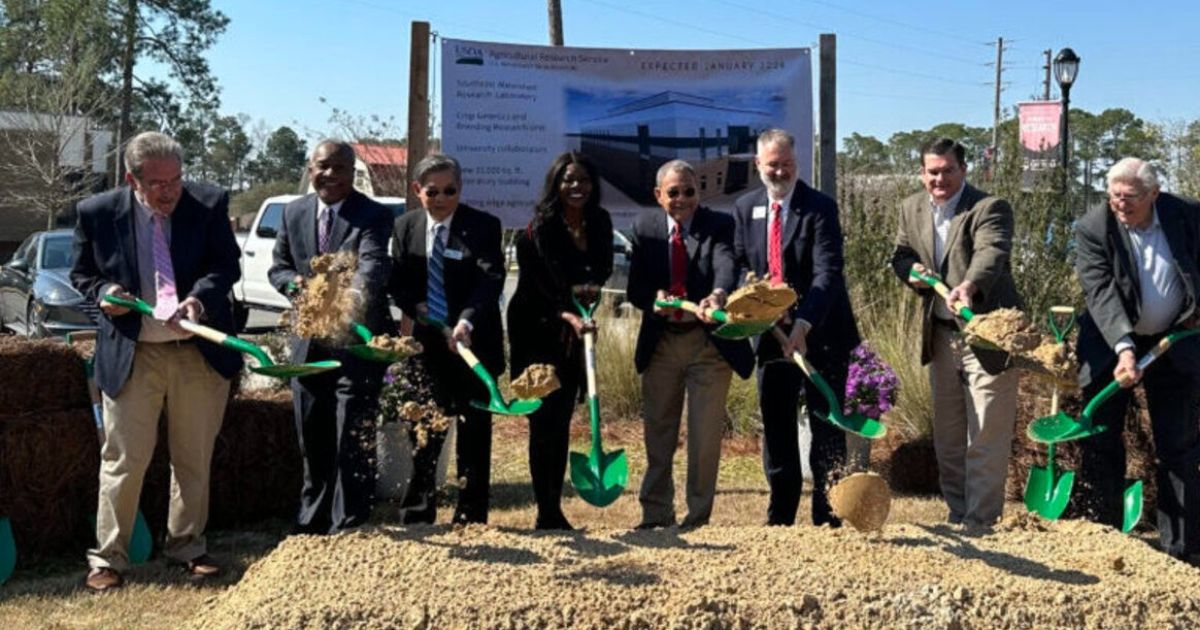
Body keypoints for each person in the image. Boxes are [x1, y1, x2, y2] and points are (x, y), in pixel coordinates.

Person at [70, 131, 243, 591]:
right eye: (158, 183)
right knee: (124, 459)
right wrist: (104, 295)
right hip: (133, 353)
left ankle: (188, 545)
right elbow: (82, 274)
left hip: (196, 354)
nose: (170, 191)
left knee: (193, 456)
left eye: (176, 180)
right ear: (132, 179)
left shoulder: (207, 204)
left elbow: (226, 266)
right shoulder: (97, 212)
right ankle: (108, 558)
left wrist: (198, 302)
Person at [889, 137, 1021, 527]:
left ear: (963, 170)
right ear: (922, 173)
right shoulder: (911, 208)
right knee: (948, 437)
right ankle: (958, 513)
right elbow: (901, 254)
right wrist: (910, 272)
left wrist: (969, 286)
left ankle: (981, 522)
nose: (940, 178)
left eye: (948, 170)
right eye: (933, 172)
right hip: (942, 336)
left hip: (986, 335)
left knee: (984, 434)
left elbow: (991, 253)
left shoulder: (988, 207)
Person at [1074, 157, 1200, 560]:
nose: (1121, 205)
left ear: (1154, 195)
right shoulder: (1094, 227)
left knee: (1178, 443)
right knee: (1101, 435)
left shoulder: (1187, 216)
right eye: (1115, 196)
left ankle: (1181, 548)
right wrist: (1125, 348)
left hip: (1175, 341)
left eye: (1130, 198)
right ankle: (1102, 537)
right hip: (1109, 342)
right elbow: (1100, 292)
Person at [733, 128, 859, 527]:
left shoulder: (819, 207)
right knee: (777, 429)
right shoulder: (745, 208)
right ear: (758, 165)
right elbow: (740, 265)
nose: (780, 171)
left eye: (787, 164)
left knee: (826, 428)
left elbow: (828, 273)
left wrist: (803, 320)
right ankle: (780, 518)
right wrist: (757, 304)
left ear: (797, 163)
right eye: (773, 165)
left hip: (820, 334)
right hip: (771, 336)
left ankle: (828, 516)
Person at [268, 140, 394, 534]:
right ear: (310, 169)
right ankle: (312, 521)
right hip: (309, 344)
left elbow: (372, 265)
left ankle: (350, 522)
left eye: (341, 168)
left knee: (352, 434)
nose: (331, 175)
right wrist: (297, 288)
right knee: (314, 434)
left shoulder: (372, 215)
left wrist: (347, 299)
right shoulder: (294, 212)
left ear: (351, 172)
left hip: (354, 343)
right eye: (324, 166)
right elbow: (279, 268)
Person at [628, 159, 754, 529]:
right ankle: (655, 514)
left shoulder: (719, 224)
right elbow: (636, 288)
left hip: (708, 347)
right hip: (662, 344)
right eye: (673, 192)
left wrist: (717, 295)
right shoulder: (645, 228)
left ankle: (697, 516)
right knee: (658, 432)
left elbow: (725, 266)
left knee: (704, 437)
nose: (682, 199)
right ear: (658, 195)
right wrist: (654, 299)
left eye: (689, 191)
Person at [389, 154, 505, 525]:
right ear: (417, 190)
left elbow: (490, 280)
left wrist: (466, 322)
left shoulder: (483, 226)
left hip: (473, 341)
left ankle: (471, 514)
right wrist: (417, 306)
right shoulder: (405, 226)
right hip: (428, 346)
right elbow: (399, 283)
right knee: (423, 428)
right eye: (433, 191)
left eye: (450, 191)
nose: (441, 199)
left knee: (473, 431)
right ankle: (418, 511)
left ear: (460, 189)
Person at [506, 152, 613, 530]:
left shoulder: (599, 222)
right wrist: (567, 312)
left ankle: (553, 506)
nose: (576, 187)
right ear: (556, 184)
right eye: (568, 181)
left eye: (583, 180)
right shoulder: (539, 230)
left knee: (563, 418)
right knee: (543, 419)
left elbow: (601, 266)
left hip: (574, 331)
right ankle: (546, 509)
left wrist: (590, 290)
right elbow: (539, 288)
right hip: (537, 328)